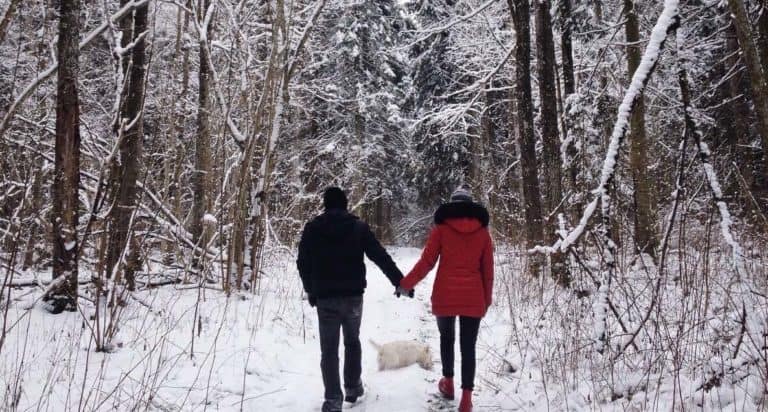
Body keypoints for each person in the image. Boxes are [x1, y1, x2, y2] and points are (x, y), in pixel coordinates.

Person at [297, 187, 411, 412]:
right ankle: (352, 387)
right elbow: (379, 255)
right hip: (352, 298)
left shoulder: (312, 229)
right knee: (352, 341)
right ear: (345, 204)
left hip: (326, 299)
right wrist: (399, 281)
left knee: (328, 350)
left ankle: (332, 400)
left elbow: (302, 262)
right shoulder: (358, 227)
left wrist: (311, 290)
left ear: (325, 204)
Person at [399, 187, 494, 412]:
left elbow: (426, 262)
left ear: (452, 205)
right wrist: (486, 300)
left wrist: (406, 284)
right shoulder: (482, 233)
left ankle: (449, 384)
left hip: (445, 295)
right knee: (468, 346)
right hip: (473, 298)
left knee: (447, 338)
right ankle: (467, 399)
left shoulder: (441, 230)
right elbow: (488, 272)